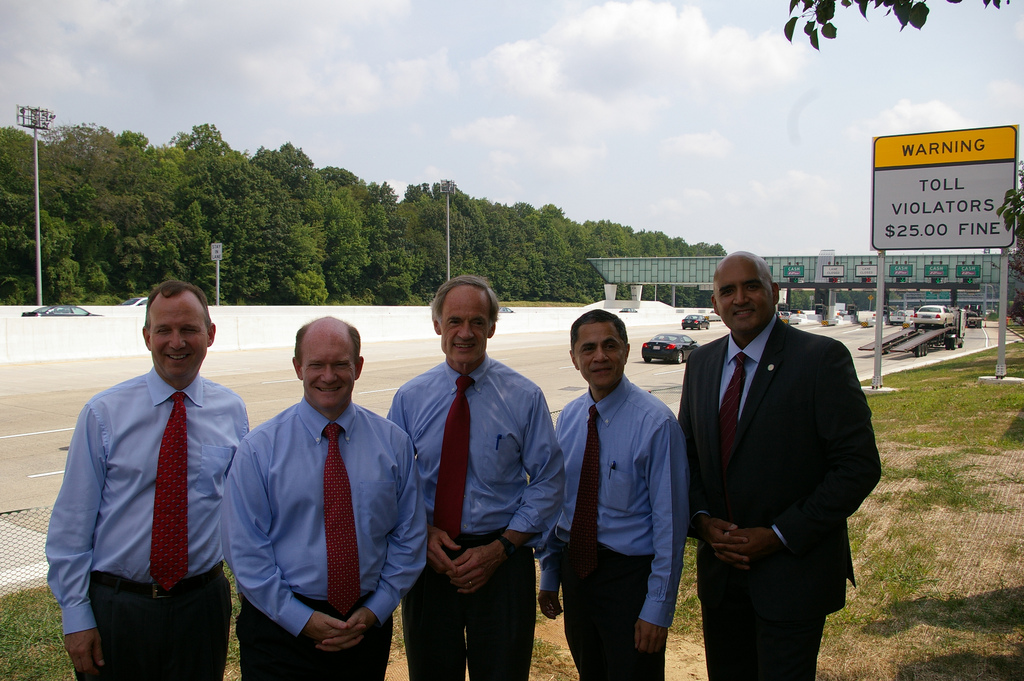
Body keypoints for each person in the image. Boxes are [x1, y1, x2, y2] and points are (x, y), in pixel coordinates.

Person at [677, 252, 881, 681]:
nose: (740, 298)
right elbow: (688, 457)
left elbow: (857, 467)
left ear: (773, 292)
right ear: (714, 304)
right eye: (727, 291)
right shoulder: (700, 363)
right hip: (722, 576)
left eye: (751, 286)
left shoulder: (821, 359)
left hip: (792, 576)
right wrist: (701, 521)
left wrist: (779, 535)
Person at [45, 280, 249, 681]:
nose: (176, 342)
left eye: (189, 329)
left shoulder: (232, 410)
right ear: (146, 336)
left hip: (201, 606)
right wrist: (76, 614)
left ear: (210, 334)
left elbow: (241, 512)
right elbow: (72, 522)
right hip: (119, 609)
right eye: (164, 330)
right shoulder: (104, 414)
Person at [221, 317, 426, 680]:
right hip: (279, 632)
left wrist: (377, 608)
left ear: (358, 367)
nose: (328, 376)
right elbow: (245, 550)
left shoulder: (393, 444)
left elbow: (408, 537)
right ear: (299, 367)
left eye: (340, 364)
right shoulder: (260, 450)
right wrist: (302, 619)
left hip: (364, 629)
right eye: (316, 364)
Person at [387, 274, 564, 681]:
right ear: (437, 326)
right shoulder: (410, 398)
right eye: (454, 321)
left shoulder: (524, 396)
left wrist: (502, 548)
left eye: (477, 322)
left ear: (492, 327)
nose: (465, 333)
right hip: (431, 562)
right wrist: (422, 532)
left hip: (502, 560)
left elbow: (549, 481)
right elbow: (391, 483)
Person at [537, 309, 688, 680]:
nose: (599, 356)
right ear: (574, 359)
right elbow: (562, 505)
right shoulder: (570, 417)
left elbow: (670, 524)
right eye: (588, 348)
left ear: (625, 350)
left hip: (629, 581)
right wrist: (550, 573)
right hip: (578, 575)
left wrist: (657, 608)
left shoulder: (656, 423)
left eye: (610, 345)